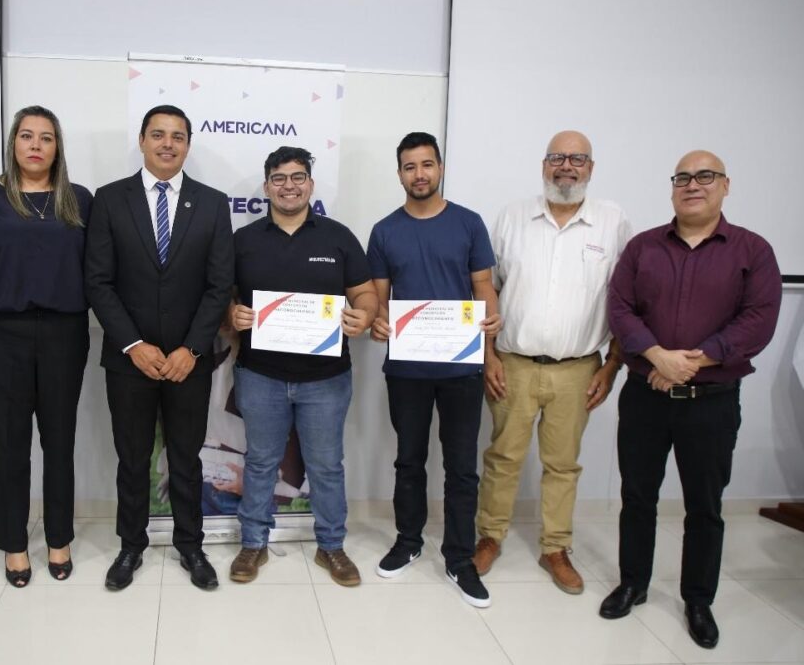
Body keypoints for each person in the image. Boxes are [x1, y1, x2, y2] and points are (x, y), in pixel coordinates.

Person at [600, 150, 781, 649]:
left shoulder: (752, 251)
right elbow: (620, 309)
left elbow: (758, 319)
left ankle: (698, 599)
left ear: (725, 185)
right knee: (637, 497)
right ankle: (633, 582)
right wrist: (659, 357)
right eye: (683, 177)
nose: (692, 184)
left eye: (705, 176)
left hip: (712, 401)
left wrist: (692, 362)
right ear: (672, 187)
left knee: (705, 504)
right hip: (645, 397)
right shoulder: (642, 248)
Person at [474, 131, 632, 595]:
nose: (567, 166)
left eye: (577, 159)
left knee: (563, 464)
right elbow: (487, 291)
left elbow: (626, 300)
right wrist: (486, 356)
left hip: (580, 367)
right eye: (557, 158)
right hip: (513, 362)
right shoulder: (511, 218)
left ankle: (556, 547)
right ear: (544, 165)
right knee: (503, 457)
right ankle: (489, 537)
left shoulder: (613, 222)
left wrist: (611, 367)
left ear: (591, 167)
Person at [86, 104, 234, 591]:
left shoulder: (212, 204)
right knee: (132, 459)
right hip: (130, 361)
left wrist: (192, 348)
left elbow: (219, 286)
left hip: (188, 362)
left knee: (186, 459)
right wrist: (133, 344)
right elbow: (99, 281)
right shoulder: (109, 200)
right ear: (144, 141)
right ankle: (131, 545)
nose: (168, 143)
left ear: (188, 144)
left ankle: (191, 546)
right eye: (158, 134)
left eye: (177, 136)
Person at [227, 146, 377, 587]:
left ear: (310, 184)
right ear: (267, 185)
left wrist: (364, 316)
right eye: (279, 178)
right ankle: (253, 544)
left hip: (326, 380)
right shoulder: (243, 241)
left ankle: (331, 547)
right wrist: (230, 316)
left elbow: (366, 294)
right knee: (259, 462)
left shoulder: (338, 237)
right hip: (260, 376)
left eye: (297, 177)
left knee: (327, 466)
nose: (288, 185)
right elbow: (224, 299)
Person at [0, 105, 92, 587]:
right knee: (11, 444)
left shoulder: (79, 199)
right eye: (27, 136)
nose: (36, 145)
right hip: (5, 332)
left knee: (59, 442)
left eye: (46, 138)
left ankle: (59, 539)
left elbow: (93, 268)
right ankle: (14, 544)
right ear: (13, 143)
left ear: (58, 147)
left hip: (65, 332)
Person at [367, 132, 499, 607]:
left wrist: (492, 329)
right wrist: (378, 322)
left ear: (440, 168)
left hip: (462, 367)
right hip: (407, 369)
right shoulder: (384, 231)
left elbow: (483, 285)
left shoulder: (468, 224)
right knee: (409, 461)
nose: (418, 174)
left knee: (462, 467)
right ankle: (408, 541)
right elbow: (378, 299)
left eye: (427, 165)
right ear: (399, 173)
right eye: (409, 166)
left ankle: (460, 558)